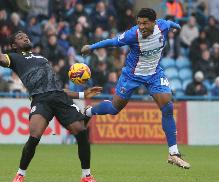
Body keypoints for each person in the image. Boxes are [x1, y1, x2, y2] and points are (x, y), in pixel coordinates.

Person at [0, 16, 101, 182]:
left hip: (58, 96)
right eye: (20, 37)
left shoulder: (42, 59)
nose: (25, 37)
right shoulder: (14, 58)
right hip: (40, 99)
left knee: (81, 131)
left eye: (25, 36)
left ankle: (86, 176)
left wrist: (82, 94)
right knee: (34, 135)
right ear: (14, 46)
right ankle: (20, 174)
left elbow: (56, 87)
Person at [81, 8, 190, 169]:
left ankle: (173, 153)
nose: (141, 27)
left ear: (154, 22)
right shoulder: (133, 34)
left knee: (168, 106)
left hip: (154, 73)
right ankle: (88, 112)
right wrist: (92, 47)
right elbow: (113, 42)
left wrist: (177, 26)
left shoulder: (163, 26)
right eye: (139, 23)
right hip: (132, 75)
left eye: (145, 23)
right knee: (114, 108)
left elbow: (171, 23)